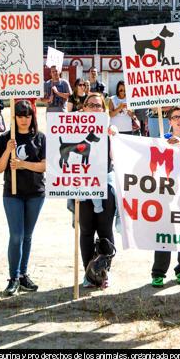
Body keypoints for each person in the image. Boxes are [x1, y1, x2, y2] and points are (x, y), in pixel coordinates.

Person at [0, 100, 46, 296]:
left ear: (32, 117)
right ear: (14, 117)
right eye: (20, 115)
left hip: (36, 192)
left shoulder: (40, 137)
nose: (24, 120)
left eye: (28, 115)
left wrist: (23, 165)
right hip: (12, 193)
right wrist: (8, 149)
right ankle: (13, 277)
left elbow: (45, 165)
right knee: (16, 236)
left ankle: (23, 275)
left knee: (27, 236)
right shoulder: (6, 138)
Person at [71, 92, 118, 288]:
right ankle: (89, 275)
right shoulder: (72, 129)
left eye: (99, 106)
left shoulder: (110, 130)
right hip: (81, 186)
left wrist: (113, 137)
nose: (95, 108)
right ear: (83, 107)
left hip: (105, 186)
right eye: (91, 105)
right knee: (87, 232)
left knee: (105, 232)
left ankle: (103, 273)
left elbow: (116, 158)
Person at [151, 105, 180, 287]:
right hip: (166, 192)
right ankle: (158, 272)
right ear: (169, 121)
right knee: (165, 232)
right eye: (176, 116)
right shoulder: (161, 139)